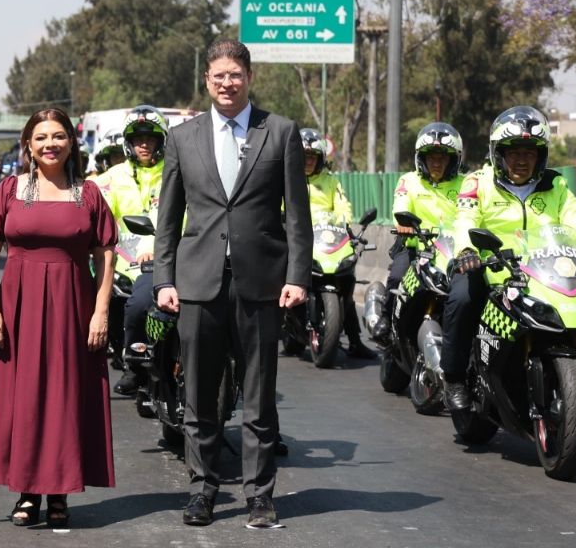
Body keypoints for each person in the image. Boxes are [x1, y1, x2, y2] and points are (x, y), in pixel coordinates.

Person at [152, 39, 311, 529]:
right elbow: (168, 219)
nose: (227, 83)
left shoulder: (280, 132)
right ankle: (202, 490)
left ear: (249, 78)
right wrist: (163, 279)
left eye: (235, 75)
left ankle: (260, 495)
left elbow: (297, 215)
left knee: (259, 399)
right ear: (207, 80)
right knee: (200, 396)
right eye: (218, 75)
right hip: (197, 283)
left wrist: (297, 276)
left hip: (261, 284)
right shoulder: (182, 138)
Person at [442, 106, 576, 461]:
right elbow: (465, 220)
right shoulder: (477, 183)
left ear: (541, 155)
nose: (522, 160)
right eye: (513, 152)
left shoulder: (556, 186)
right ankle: (454, 378)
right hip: (492, 269)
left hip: (545, 272)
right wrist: (466, 251)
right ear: (498, 154)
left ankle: (575, 421)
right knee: (461, 298)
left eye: (530, 152)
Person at [0, 106, 117, 529]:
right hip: (18, 306)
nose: (49, 144)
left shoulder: (88, 193)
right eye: (41, 137)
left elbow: (105, 255)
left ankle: (58, 492)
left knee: (64, 397)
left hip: (73, 306)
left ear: (71, 142)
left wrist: (101, 312)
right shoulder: (9, 190)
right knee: (24, 400)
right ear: (28, 144)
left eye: (58, 136)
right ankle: (26, 491)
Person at [97, 105, 168, 397]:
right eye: (138, 139)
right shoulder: (111, 178)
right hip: (119, 262)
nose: (144, 145)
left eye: (150, 138)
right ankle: (130, 362)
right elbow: (93, 211)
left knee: (140, 304)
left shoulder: (177, 172)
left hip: (165, 259)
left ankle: (138, 367)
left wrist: (153, 248)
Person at [372, 122, 465, 342]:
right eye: (431, 157)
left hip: (453, 252)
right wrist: (403, 222)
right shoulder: (409, 181)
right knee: (397, 276)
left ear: (454, 159)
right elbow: (401, 205)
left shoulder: (466, 184)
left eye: (443, 157)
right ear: (421, 158)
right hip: (415, 247)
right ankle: (386, 318)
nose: (436, 162)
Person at [299, 128, 376, 360]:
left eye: (313, 157)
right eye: (304, 156)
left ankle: (355, 341)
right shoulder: (287, 179)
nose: (308, 161)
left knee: (345, 284)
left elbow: (343, 208)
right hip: (296, 238)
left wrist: (345, 225)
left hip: (324, 238)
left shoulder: (331, 182)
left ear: (321, 159)